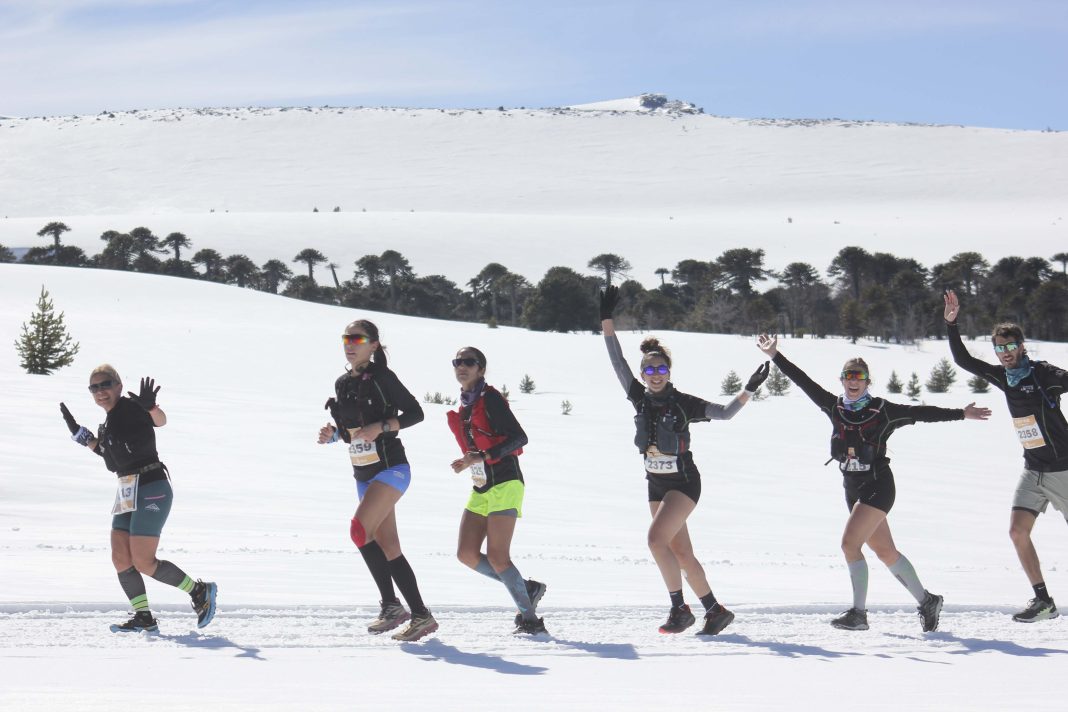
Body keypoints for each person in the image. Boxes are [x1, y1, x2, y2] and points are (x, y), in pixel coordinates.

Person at [756, 333, 991, 632]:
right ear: (842, 380)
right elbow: (803, 381)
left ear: (868, 381)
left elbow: (920, 413)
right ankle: (928, 601)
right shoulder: (834, 407)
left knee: (849, 544)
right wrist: (776, 355)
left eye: (860, 377)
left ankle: (858, 613)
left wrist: (961, 413)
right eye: (849, 376)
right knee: (885, 552)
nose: (853, 382)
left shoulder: (883, 411)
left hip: (879, 486)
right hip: (852, 489)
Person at [600, 286, 768, 635]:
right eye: (650, 370)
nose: (656, 373)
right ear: (643, 374)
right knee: (680, 553)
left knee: (655, 541)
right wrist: (607, 321)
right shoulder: (638, 398)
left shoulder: (683, 402)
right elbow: (617, 361)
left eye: (661, 368)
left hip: (684, 484)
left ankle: (679, 609)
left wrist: (749, 388)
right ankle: (715, 609)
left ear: (669, 370)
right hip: (655, 484)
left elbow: (724, 414)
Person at [59, 366, 217, 633]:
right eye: (94, 388)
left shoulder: (132, 407)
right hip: (126, 487)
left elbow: (160, 421)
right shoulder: (109, 422)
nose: (100, 391)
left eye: (105, 384)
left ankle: (199, 590)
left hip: (152, 486)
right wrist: (83, 436)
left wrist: (152, 407)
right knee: (121, 558)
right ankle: (143, 616)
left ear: (119, 385)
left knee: (144, 561)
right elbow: (111, 454)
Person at [944, 289, 1068, 623]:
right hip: (1033, 470)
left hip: (1063, 470)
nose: (1005, 354)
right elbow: (964, 361)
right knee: (1017, 532)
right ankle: (1044, 602)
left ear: (1022, 347)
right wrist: (951, 325)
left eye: (1011, 347)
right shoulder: (1004, 377)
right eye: (1000, 348)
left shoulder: (1043, 374)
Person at [318, 319, 437, 642]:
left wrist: (383, 427)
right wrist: (333, 435)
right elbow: (351, 433)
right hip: (363, 474)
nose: (350, 343)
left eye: (357, 338)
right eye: (346, 338)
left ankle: (391, 605)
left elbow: (415, 413)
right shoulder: (342, 383)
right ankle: (420, 616)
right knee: (388, 546)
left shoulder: (383, 378)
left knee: (359, 531)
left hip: (391, 469)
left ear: (373, 345)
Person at [446, 347, 547, 635]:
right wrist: (470, 460)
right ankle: (526, 588)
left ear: (481, 369)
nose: (461, 366)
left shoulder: (489, 398)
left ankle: (531, 621)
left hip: (506, 482)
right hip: (482, 486)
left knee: (499, 556)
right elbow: (480, 446)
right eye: (457, 362)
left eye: (469, 362)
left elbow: (519, 437)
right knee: (466, 553)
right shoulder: (466, 405)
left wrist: (482, 456)